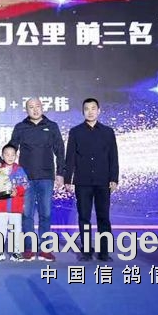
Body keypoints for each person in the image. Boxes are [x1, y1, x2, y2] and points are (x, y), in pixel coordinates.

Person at [9, 97, 65, 261]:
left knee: (45, 214)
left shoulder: (52, 126)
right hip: (25, 178)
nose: (35, 110)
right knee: (26, 214)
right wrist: (1, 163)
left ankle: (45, 249)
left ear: (42, 107)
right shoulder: (20, 127)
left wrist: (61, 173)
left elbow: (60, 151)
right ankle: (29, 248)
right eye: (31, 107)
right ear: (26, 110)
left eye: (37, 106)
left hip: (46, 177)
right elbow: (12, 147)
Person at [63, 98, 119, 262]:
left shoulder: (108, 132)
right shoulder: (75, 132)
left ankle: (104, 252)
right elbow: (70, 158)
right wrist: (68, 179)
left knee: (104, 217)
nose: (90, 111)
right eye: (87, 109)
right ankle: (86, 251)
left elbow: (113, 157)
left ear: (99, 111)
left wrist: (114, 178)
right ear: (83, 112)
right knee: (84, 217)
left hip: (103, 180)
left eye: (93, 108)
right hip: (83, 181)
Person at [0, 144, 29, 262]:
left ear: (16, 156)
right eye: (7, 154)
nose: (10, 157)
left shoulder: (20, 170)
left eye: (12, 155)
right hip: (1, 206)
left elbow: (25, 184)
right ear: (2, 156)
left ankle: (16, 252)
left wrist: (17, 191)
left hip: (16, 207)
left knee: (16, 230)